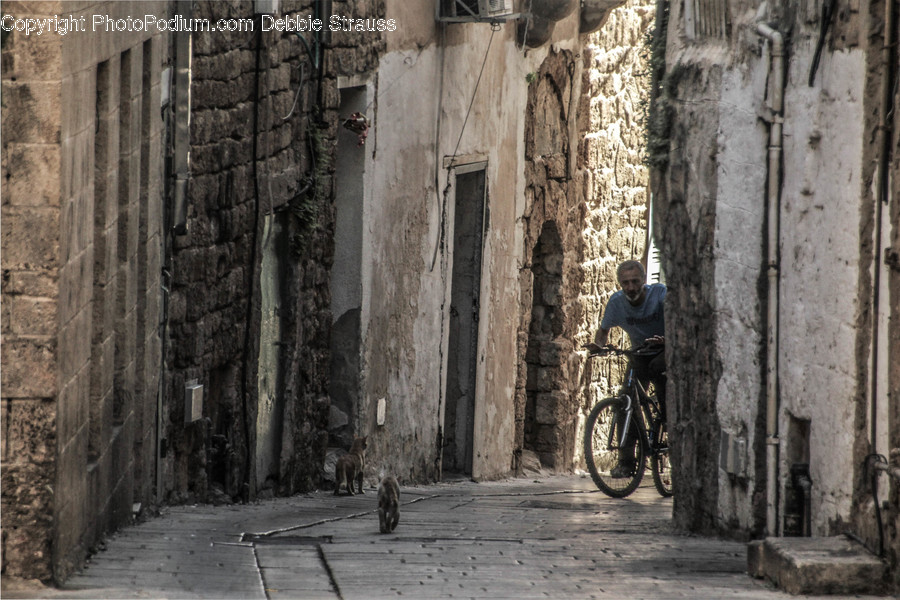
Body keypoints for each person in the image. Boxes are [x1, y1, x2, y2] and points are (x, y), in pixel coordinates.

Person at [584, 259, 666, 478]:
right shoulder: (617, 302)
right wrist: (598, 345)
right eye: (625, 283)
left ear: (644, 280)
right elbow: (603, 331)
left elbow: (679, 319)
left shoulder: (659, 294)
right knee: (625, 400)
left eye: (635, 282)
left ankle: (666, 418)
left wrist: (667, 339)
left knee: (659, 370)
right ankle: (626, 461)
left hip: (663, 350)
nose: (630, 287)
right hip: (639, 352)